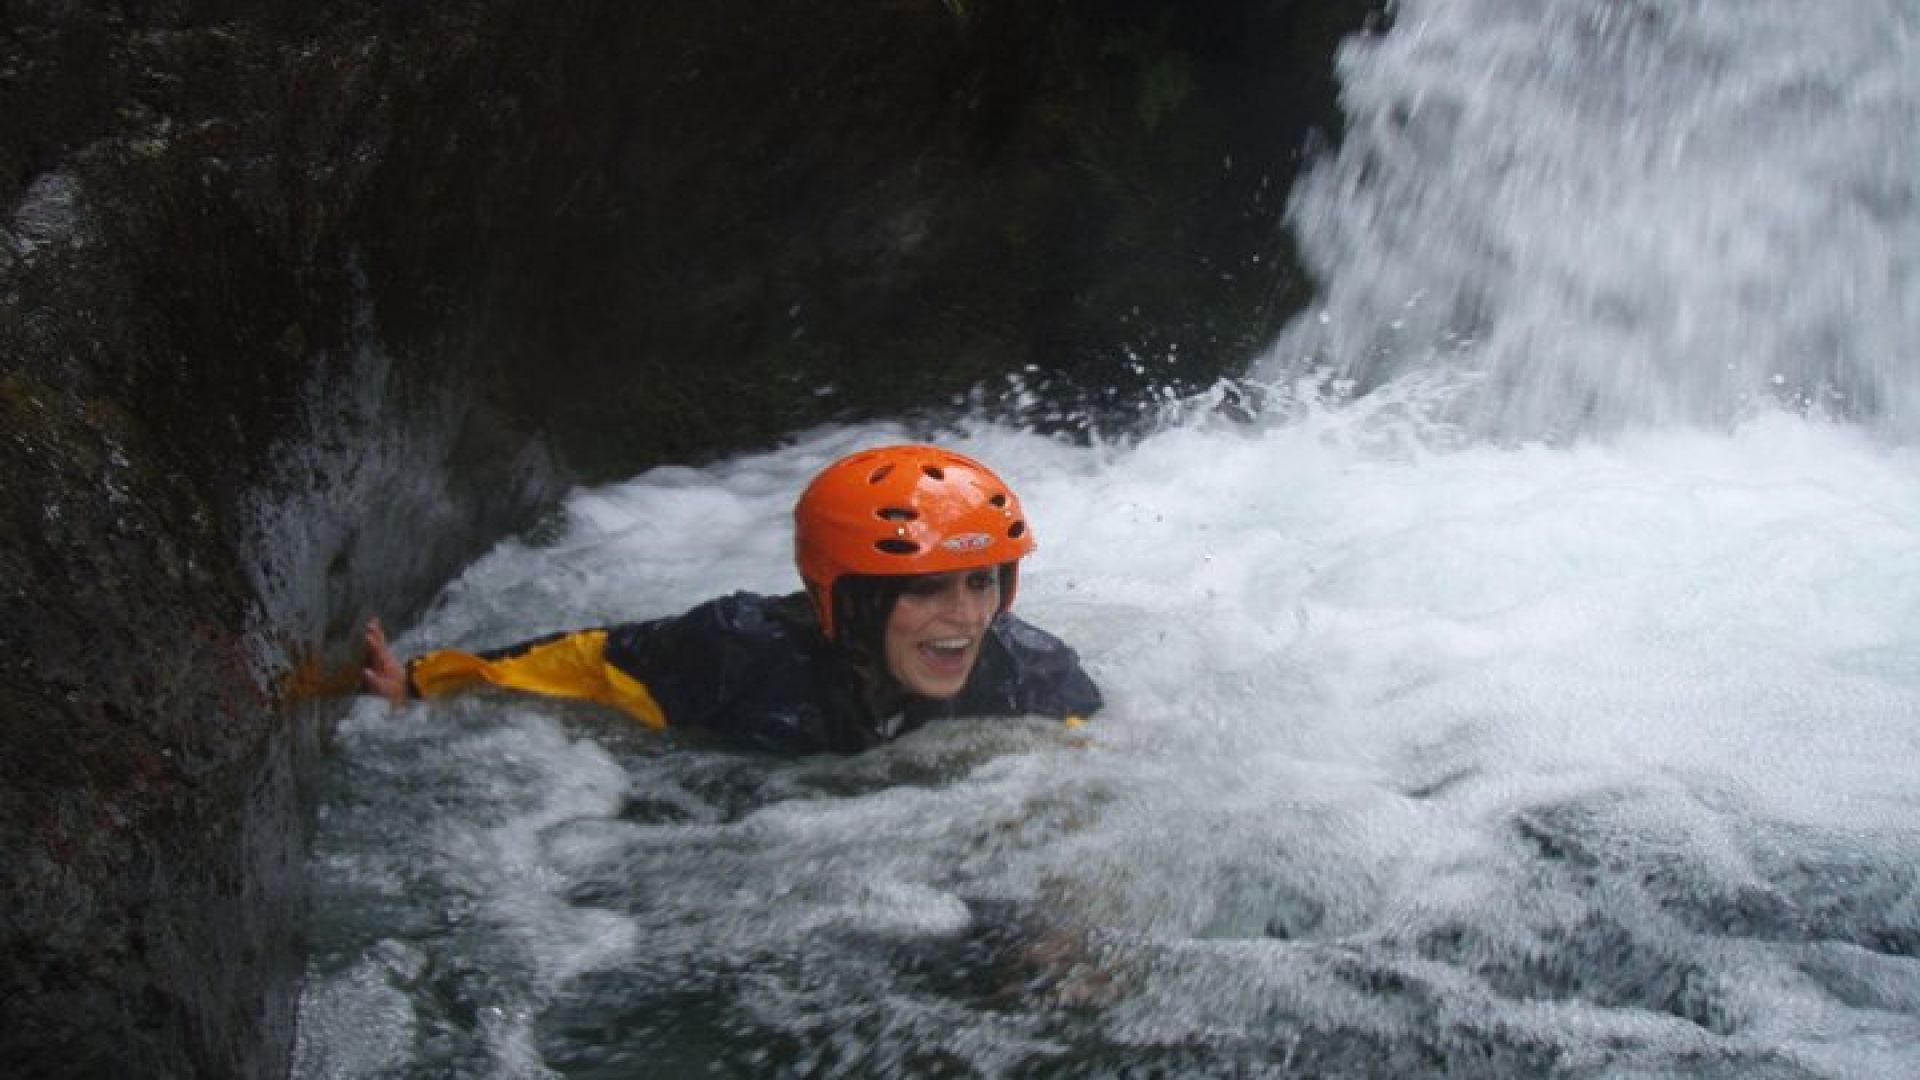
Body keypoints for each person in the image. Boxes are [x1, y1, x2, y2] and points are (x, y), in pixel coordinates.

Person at [362, 444, 1102, 754]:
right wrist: (426, 680)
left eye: (981, 582)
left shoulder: (1030, 673)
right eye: (927, 589)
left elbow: (1111, 777)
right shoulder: (734, 651)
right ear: (845, 600)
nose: (968, 618)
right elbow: (584, 662)